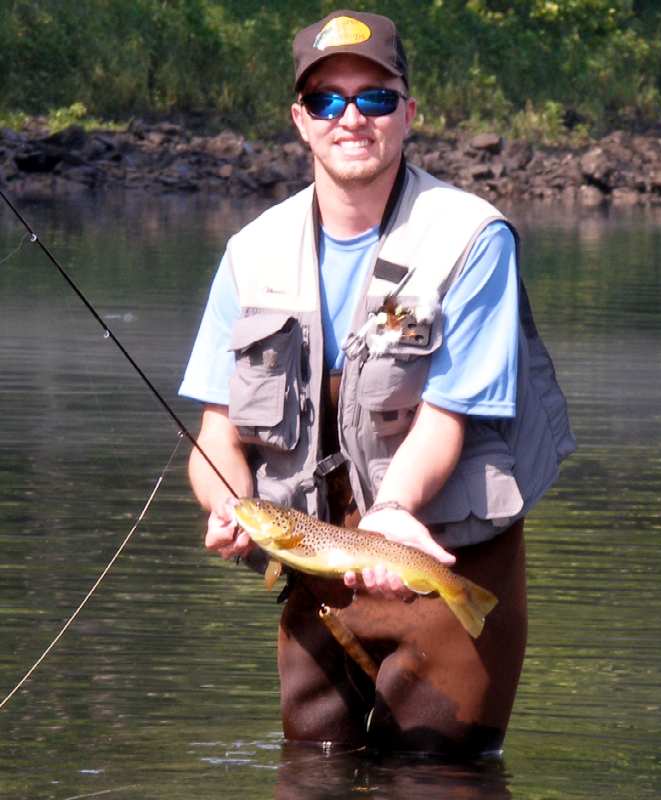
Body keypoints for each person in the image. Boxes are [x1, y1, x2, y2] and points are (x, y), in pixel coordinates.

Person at [179, 9, 575, 755]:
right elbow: (215, 431)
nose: (351, 118)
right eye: (328, 100)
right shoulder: (250, 252)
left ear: (409, 113)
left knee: (440, 781)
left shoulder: (471, 238)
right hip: (315, 571)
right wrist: (230, 504)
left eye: (376, 98)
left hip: (443, 553)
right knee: (309, 775)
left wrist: (393, 513)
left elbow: (451, 414)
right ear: (300, 119)